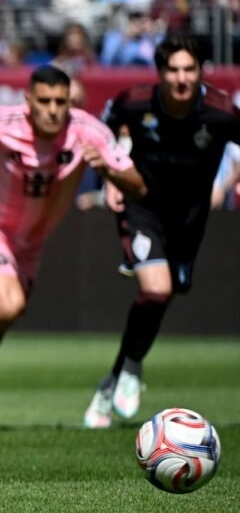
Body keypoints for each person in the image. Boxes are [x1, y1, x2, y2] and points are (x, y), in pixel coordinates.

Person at [0, 65, 147, 431]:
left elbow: (138, 185)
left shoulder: (87, 130)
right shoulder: (1, 121)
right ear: (28, 100)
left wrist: (109, 170)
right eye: (44, 101)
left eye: (60, 102)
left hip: (30, 244)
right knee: (8, 304)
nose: (53, 110)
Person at [82, 34, 240, 429]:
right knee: (156, 290)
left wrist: (231, 181)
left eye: (189, 69)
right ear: (160, 72)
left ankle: (114, 378)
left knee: (166, 295)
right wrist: (113, 175)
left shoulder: (221, 112)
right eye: (173, 70)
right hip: (142, 208)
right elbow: (103, 131)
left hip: (189, 221)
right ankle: (131, 368)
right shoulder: (135, 103)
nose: (181, 78)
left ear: (201, 71)